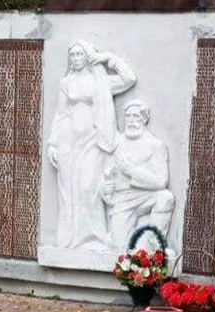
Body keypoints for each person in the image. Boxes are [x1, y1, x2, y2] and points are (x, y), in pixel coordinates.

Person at [47, 40, 136, 250]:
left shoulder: (100, 81)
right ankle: (69, 240)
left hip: (93, 141)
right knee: (69, 191)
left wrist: (107, 58)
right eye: (73, 55)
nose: (76, 59)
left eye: (80, 54)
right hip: (69, 141)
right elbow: (60, 115)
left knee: (89, 187)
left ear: (87, 57)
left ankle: (94, 238)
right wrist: (53, 144)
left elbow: (129, 78)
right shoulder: (66, 83)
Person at [102, 101, 175, 251]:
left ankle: (155, 245)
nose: (131, 120)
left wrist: (131, 170)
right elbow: (106, 174)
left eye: (135, 116)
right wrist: (106, 189)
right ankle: (115, 239)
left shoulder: (155, 145)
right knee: (117, 246)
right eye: (128, 116)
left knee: (165, 198)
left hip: (146, 196)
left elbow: (161, 180)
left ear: (144, 119)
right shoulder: (117, 144)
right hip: (122, 199)